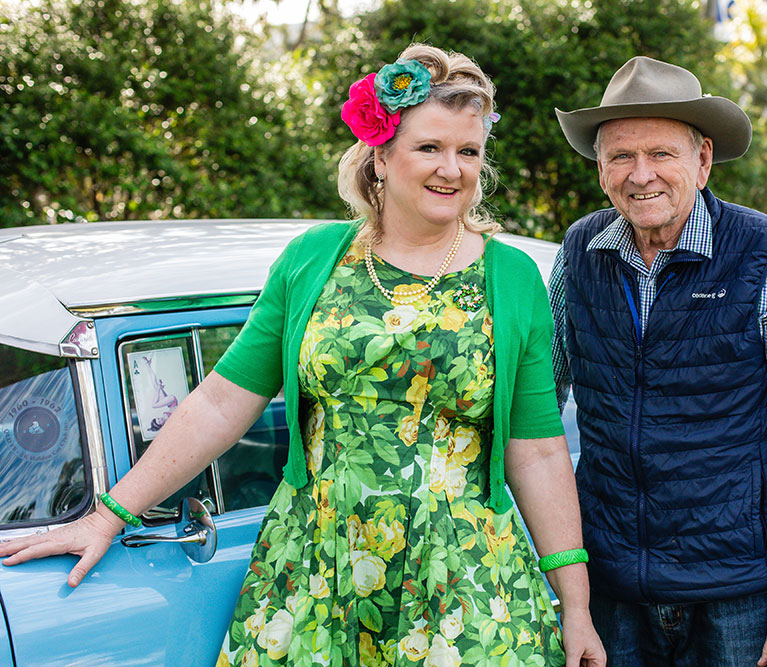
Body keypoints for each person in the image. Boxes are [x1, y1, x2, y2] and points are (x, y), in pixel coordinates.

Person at [0, 44, 606, 667]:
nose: (451, 169)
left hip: (466, 582)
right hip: (317, 569)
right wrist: (108, 515)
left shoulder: (511, 279)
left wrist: (577, 607)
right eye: (429, 147)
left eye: (468, 151)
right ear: (381, 154)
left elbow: (536, 450)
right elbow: (220, 402)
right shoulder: (313, 260)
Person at [548, 56, 767, 667]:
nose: (641, 175)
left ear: (703, 160)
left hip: (740, 590)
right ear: (600, 167)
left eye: (661, 153)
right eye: (621, 156)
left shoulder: (765, 250)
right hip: (610, 586)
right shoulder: (580, 250)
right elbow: (540, 405)